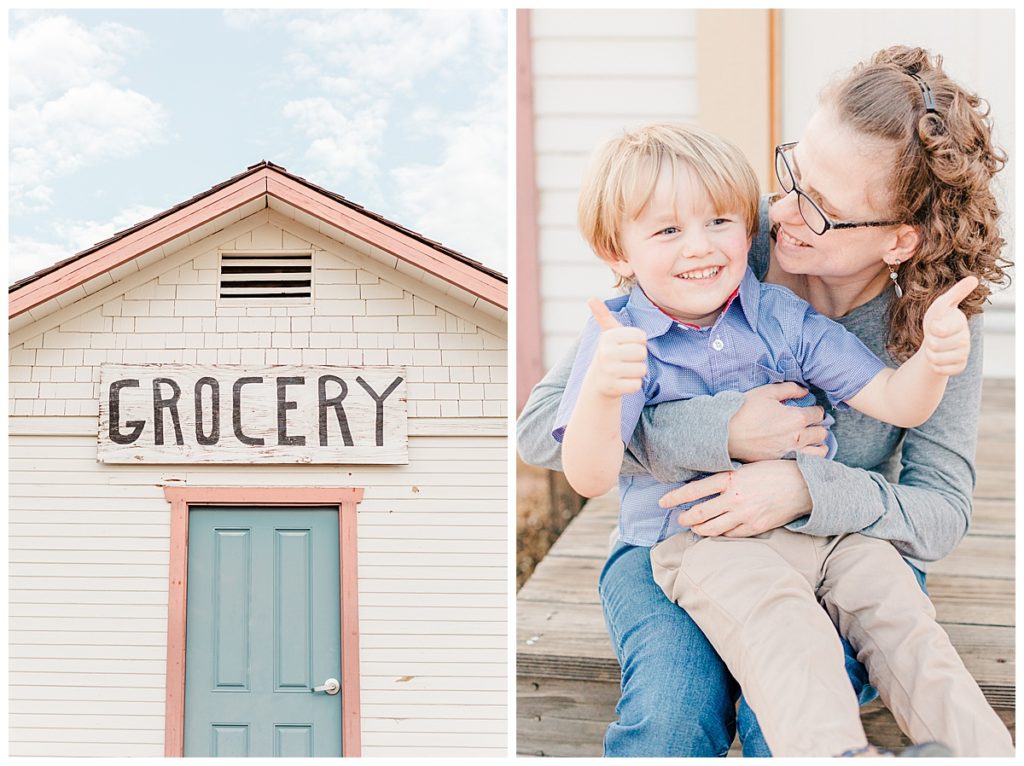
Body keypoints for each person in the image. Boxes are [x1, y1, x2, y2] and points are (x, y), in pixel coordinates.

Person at [516, 46, 1011, 756]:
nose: (780, 212)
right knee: (671, 711)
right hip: (683, 536)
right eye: (792, 173)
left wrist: (805, 487)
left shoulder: (938, 316)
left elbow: (938, 515)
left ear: (901, 239)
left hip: (841, 545)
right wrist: (723, 431)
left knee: (784, 715)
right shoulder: (713, 235)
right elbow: (542, 435)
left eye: (822, 207)